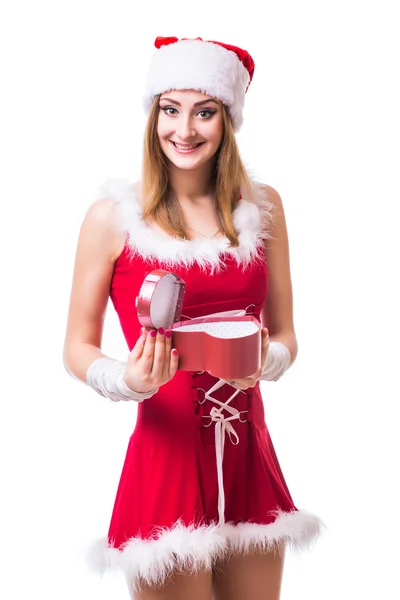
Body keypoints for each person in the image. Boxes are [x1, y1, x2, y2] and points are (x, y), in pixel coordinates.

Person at [63, 36, 323, 600]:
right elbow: (76, 347)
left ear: (228, 120)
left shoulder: (265, 208)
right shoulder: (113, 218)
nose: (184, 130)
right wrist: (127, 380)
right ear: (153, 114)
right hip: (166, 459)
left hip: (249, 456)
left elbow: (285, 335)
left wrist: (266, 360)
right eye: (170, 110)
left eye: (204, 112)